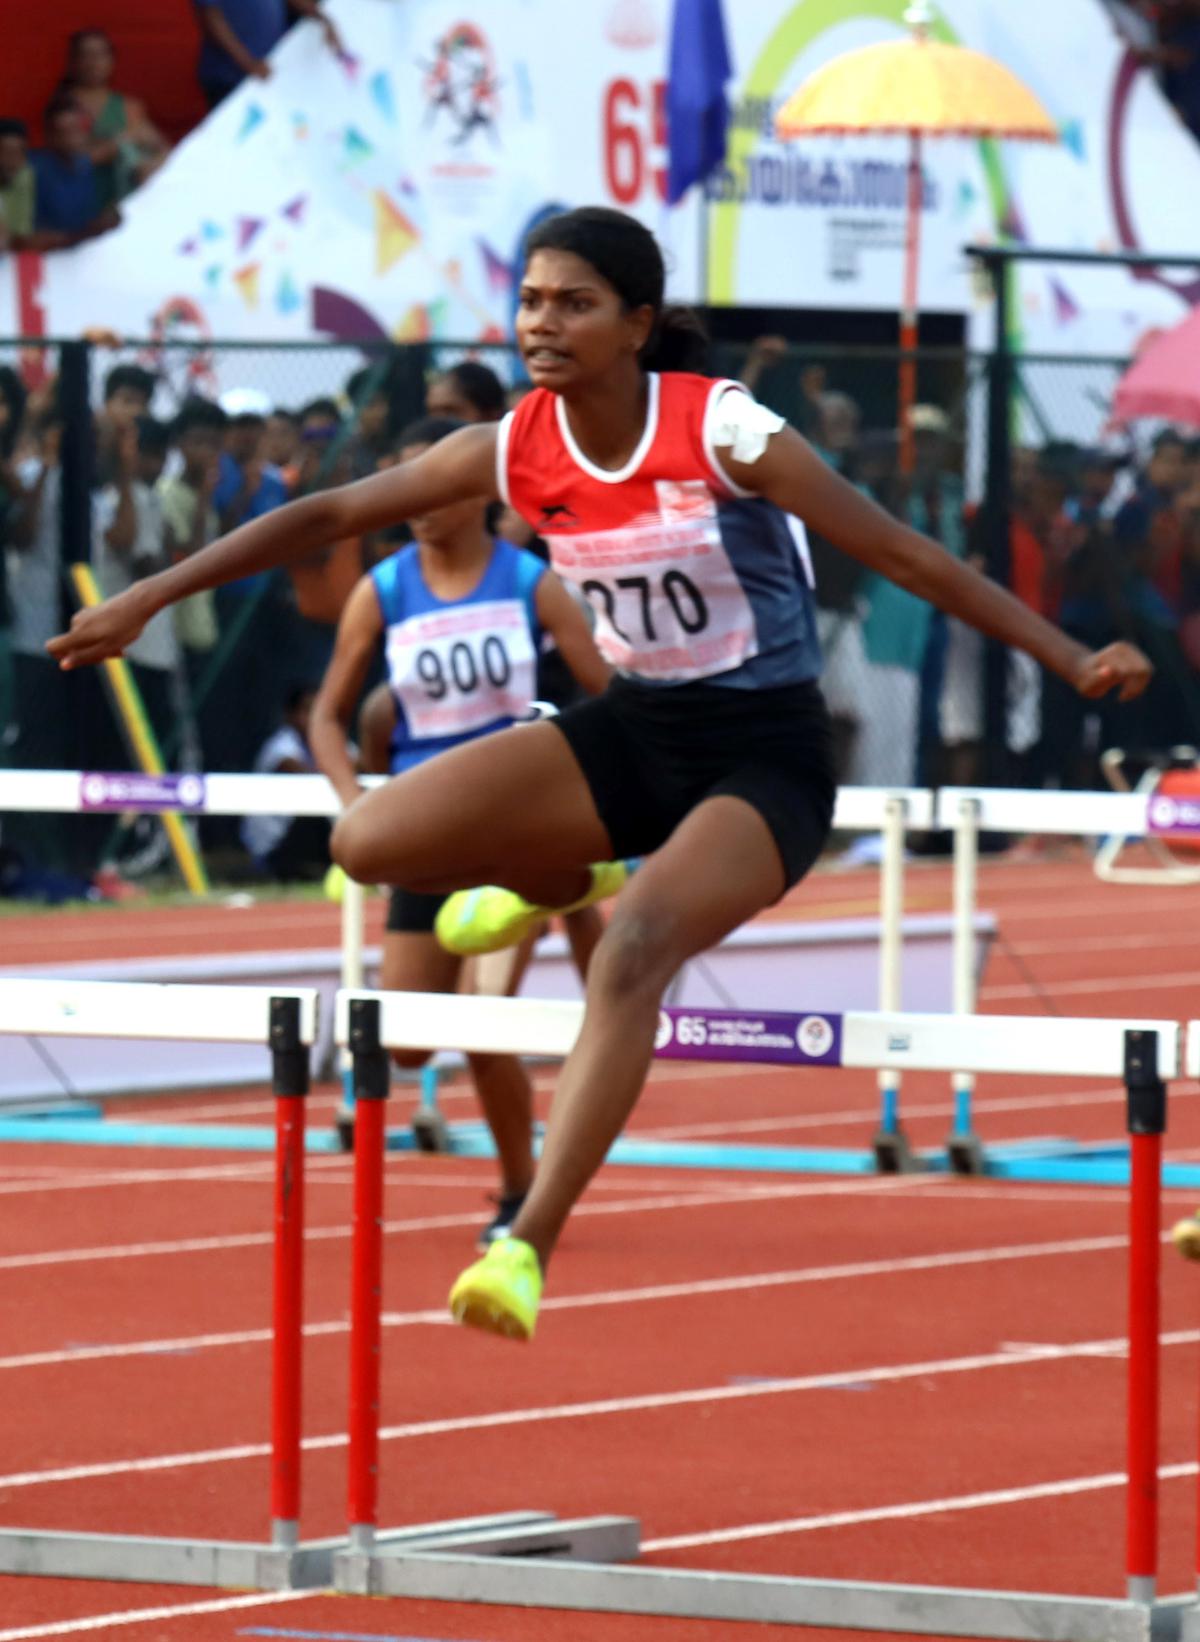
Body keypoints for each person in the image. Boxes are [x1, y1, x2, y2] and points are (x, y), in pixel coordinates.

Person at [49, 205, 1153, 1346]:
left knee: (633, 956)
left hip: (763, 755)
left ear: (636, 324)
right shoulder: (515, 445)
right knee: (366, 843)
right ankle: (566, 872)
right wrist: (147, 596)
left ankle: (525, 1238)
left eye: (573, 303)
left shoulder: (723, 428)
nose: (542, 323)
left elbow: (902, 550)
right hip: (634, 732)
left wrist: (1068, 655)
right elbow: (329, 510)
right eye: (529, 300)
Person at [308, 413, 612, 1241]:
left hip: (513, 830)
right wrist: (355, 802)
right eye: (406, 485)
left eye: (433, 484)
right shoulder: (386, 589)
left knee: (484, 1016)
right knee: (409, 1042)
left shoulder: (528, 583)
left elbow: (613, 695)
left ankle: (523, 1191)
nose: (417, 503)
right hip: (423, 833)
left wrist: (584, 783)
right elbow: (328, 717)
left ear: (480, 491)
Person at [58, 29, 169, 211]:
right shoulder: (62, 107)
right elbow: (71, 164)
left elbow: (163, 149)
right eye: (86, 55)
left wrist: (150, 165)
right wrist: (119, 143)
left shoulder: (129, 106)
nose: (93, 62)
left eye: (100, 54)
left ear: (111, 60)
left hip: (129, 197)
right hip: (83, 200)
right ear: (73, 61)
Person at [240, 684, 330, 881]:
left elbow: (360, 764)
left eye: (320, 710)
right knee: (315, 812)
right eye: (307, 710)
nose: (314, 717)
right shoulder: (280, 747)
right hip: (273, 847)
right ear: (290, 715)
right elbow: (306, 775)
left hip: (300, 842)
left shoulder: (328, 741)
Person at [195, 0, 346, 109]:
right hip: (233, 80)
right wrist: (250, 64)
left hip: (274, 63)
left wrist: (322, 18)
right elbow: (212, 20)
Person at [30, 97, 119, 243]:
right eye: (65, 132)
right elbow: (24, 235)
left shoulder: (85, 166)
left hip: (83, 253)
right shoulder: (34, 167)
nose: (75, 137)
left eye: (78, 128)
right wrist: (84, 233)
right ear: (50, 136)